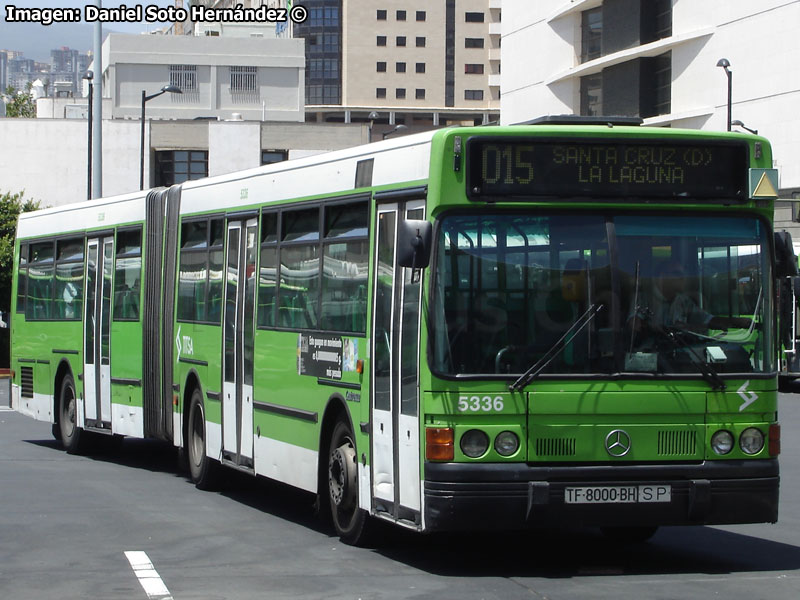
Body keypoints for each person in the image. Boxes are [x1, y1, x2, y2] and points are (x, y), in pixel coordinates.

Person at [630, 258, 751, 334]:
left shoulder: (683, 301)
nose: (683, 278)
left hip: (681, 358)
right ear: (662, 276)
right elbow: (634, 326)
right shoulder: (642, 298)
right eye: (677, 274)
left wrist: (736, 322)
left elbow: (708, 319)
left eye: (684, 274)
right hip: (649, 358)